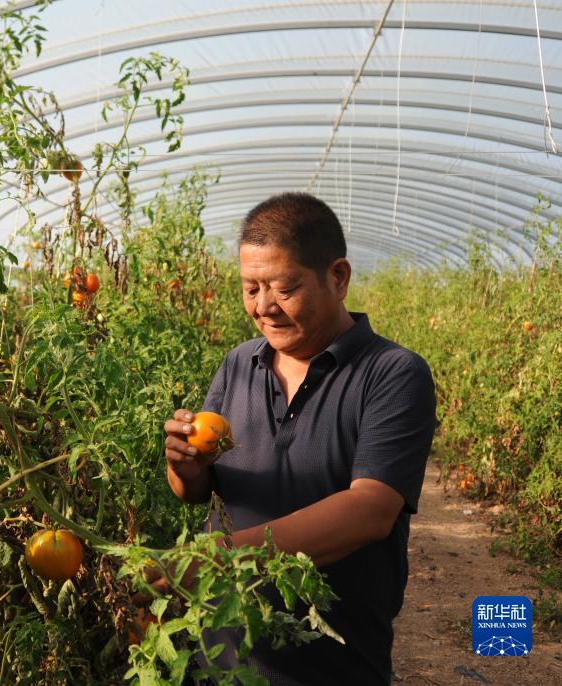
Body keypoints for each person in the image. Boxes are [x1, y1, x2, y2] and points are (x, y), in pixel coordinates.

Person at [160, 192, 437, 685]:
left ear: (338, 278)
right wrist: (184, 468)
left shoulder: (392, 374)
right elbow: (200, 492)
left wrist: (218, 558)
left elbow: (371, 509)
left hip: (333, 664)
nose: (264, 307)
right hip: (221, 654)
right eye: (250, 289)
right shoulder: (238, 364)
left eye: (284, 289)